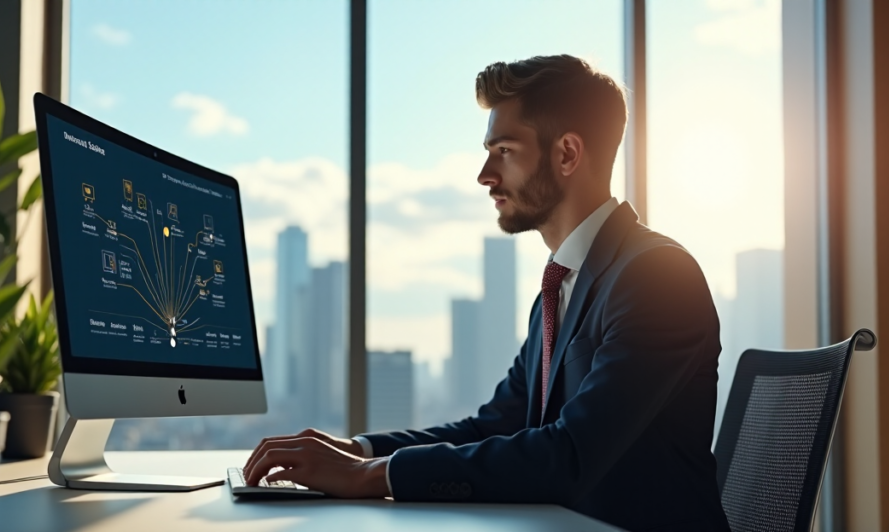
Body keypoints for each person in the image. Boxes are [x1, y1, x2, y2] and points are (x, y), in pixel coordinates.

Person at [244, 55, 730, 531]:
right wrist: (360, 451)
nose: (484, 175)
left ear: (566, 153)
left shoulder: (658, 275)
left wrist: (369, 477)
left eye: (503, 151)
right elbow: (494, 427)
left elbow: (570, 453)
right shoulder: (556, 290)